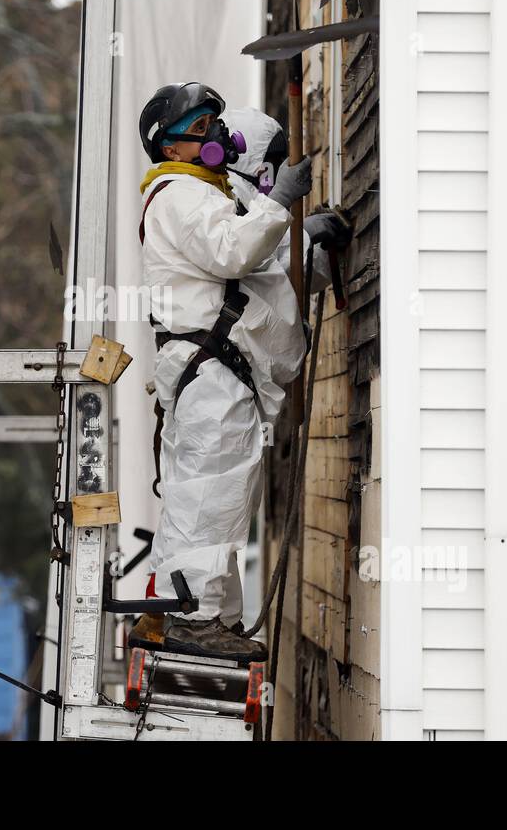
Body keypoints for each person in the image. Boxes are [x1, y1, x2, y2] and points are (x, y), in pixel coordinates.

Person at [129, 82, 350, 663]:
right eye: (200, 130)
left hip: (209, 371)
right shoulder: (181, 194)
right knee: (210, 494)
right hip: (211, 372)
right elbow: (235, 253)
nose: (216, 138)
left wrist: (298, 234)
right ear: (171, 146)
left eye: (215, 124)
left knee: (209, 497)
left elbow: (258, 277)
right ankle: (194, 617)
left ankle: (200, 615)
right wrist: (282, 204)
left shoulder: (202, 193)